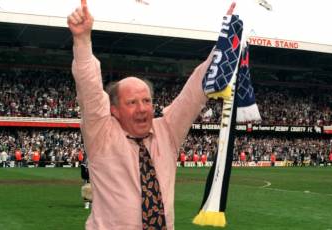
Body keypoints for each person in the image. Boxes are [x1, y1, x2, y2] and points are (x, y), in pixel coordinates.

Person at [67, 2, 236, 229]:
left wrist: (223, 45)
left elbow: (194, 92)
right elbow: (89, 90)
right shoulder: (102, 134)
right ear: (113, 110)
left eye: (146, 101)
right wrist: (82, 40)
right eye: (132, 102)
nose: (142, 108)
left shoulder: (167, 131)